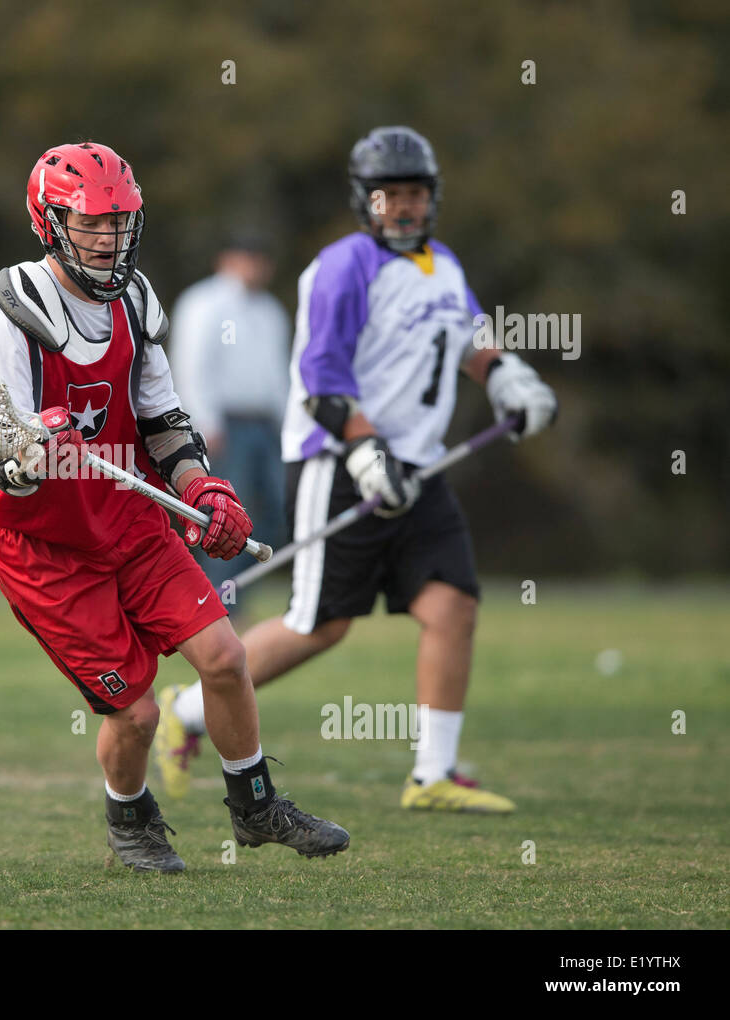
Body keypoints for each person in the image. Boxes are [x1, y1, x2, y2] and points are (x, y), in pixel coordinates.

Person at [0, 141, 349, 872]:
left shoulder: (135, 302)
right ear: (50, 224)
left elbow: (163, 418)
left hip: (127, 516)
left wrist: (201, 487)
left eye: (119, 224)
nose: (109, 240)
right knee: (135, 712)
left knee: (226, 656)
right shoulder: (9, 314)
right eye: (92, 225)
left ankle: (256, 805)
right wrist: (30, 449)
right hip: (43, 541)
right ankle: (131, 818)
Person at [155, 126, 558, 811]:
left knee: (452, 605)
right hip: (339, 462)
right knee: (320, 623)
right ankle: (186, 710)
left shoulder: (444, 265)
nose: (402, 207)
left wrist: (505, 377)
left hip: (419, 469)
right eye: (389, 195)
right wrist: (368, 450)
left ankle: (433, 776)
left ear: (432, 198)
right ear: (364, 201)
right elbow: (320, 382)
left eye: (414, 194)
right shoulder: (344, 267)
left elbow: (469, 337)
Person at [168, 232, 290, 611]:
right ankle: (212, 606)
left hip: (265, 427)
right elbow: (190, 367)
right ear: (228, 260)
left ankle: (226, 603)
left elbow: (278, 376)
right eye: (247, 257)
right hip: (226, 427)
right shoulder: (205, 303)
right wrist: (204, 424)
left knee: (269, 520)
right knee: (221, 520)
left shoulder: (270, 311)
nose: (255, 267)